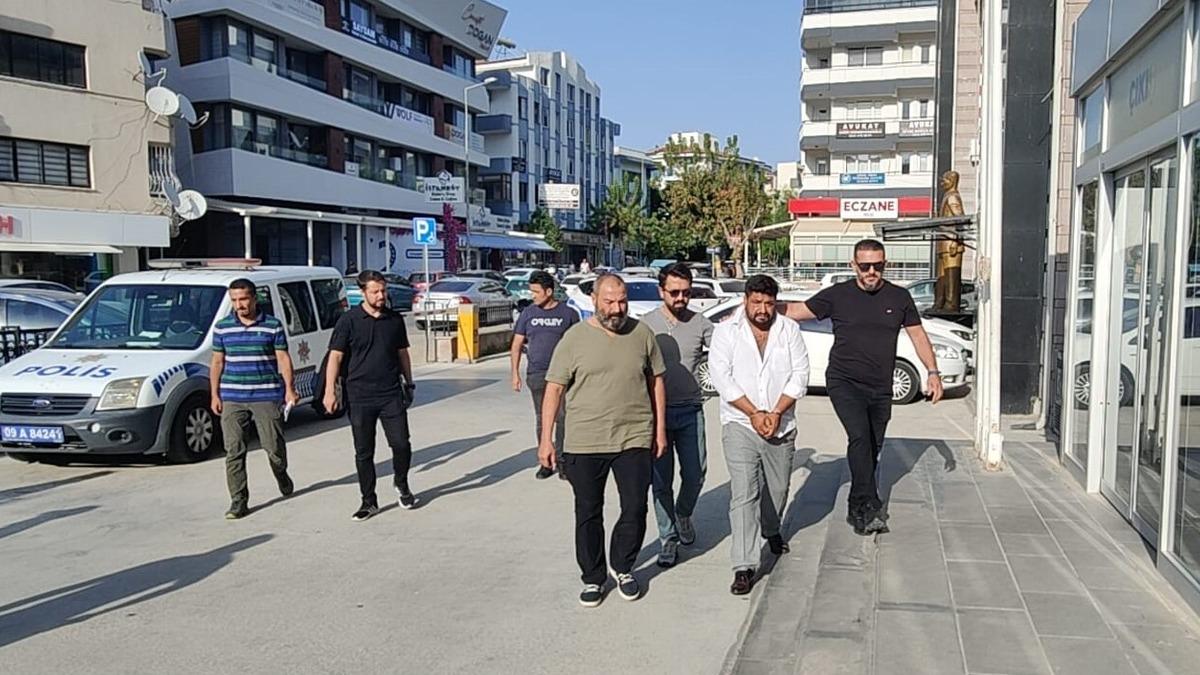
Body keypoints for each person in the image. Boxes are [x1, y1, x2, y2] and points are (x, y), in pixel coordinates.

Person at [786, 239, 943, 536]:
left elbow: (918, 335)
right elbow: (795, 310)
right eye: (865, 266)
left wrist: (932, 372)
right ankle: (866, 507)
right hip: (844, 381)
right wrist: (755, 306)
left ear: (886, 264)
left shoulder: (898, 297)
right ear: (853, 265)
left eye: (878, 266)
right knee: (860, 438)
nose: (871, 271)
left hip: (880, 385)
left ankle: (857, 500)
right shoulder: (837, 295)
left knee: (873, 445)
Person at [540, 274, 667, 607]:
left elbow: (656, 381)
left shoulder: (642, 334)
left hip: (634, 435)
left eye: (622, 301)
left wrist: (660, 430)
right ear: (594, 300)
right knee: (588, 511)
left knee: (635, 507)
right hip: (585, 440)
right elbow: (554, 388)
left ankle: (622, 566)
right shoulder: (574, 338)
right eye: (609, 302)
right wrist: (546, 440)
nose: (617, 308)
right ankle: (593, 578)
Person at [708, 274, 810, 595]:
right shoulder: (726, 331)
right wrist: (753, 412)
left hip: (781, 424)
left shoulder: (789, 330)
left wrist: (776, 412)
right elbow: (721, 377)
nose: (763, 310)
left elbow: (800, 375)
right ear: (746, 300)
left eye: (769, 303)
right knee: (744, 493)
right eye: (757, 302)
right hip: (740, 423)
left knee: (777, 490)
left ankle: (771, 528)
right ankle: (744, 565)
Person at [324, 270, 417, 521]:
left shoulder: (394, 320)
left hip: (390, 393)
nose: (381, 296)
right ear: (363, 292)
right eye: (375, 291)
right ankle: (369, 501)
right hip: (359, 395)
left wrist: (409, 383)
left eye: (383, 290)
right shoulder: (349, 321)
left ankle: (401, 483)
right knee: (364, 451)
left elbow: (402, 353)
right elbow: (335, 356)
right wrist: (330, 391)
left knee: (401, 444)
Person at [640, 263, 714, 567]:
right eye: (674, 292)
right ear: (662, 291)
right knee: (661, 481)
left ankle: (683, 513)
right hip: (655, 415)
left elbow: (727, 354)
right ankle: (668, 539)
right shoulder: (646, 325)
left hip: (691, 410)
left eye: (686, 292)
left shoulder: (701, 324)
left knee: (696, 474)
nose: (681, 298)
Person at [210, 278, 299, 520]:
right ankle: (238, 500)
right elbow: (217, 362)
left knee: (273, 448)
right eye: (234, 300)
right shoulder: (222, 328)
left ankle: (281, 473)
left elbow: (283, 359)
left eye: (243, 299)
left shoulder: (272, 326)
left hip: (265, 394)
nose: (239, 305)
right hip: (233, 396)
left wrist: (289, 389)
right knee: (234, 450)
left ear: (254, 298)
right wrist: (214, 394)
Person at [510, 270, 579, 480]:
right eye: (531, 292)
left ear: (549, 292)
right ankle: (546, 462)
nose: (533, 296)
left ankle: (563, 461)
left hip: (563, 374)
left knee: (563, 417)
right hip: (537, 374)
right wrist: (515, 374)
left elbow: (578, 344)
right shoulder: (528, 313)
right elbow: (516, 344)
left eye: (536, 292)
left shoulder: (568, 314)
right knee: (542, 418)